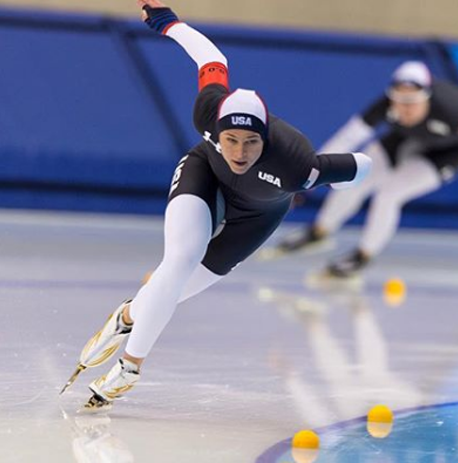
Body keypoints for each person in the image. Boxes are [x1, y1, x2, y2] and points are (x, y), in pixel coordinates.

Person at [60, 0, 372, 410]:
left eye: (251, 142)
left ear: (267, 138)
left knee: (171, 293)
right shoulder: (207, 112)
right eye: (231, 140)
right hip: (204, 175)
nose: (240, 152)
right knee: (178, 262)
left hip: (257, 215)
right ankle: (130, 368)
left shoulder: (297, 164)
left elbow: (362, 166)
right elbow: (211, 58)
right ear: (217, 130)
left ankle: (129, 317)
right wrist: (167, 22)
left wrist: (356, 184)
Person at [274, 61, 458, 277]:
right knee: (356, 173)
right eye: (399, 101)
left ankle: (363, 256)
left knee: (389, 195)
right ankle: (319, 231)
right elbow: (347, 138)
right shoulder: (384, 106)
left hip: (449, 152)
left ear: (428, 97)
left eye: (412, 102)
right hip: (406, 139)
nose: (405, 109)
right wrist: (307, 177)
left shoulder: (454, 112)